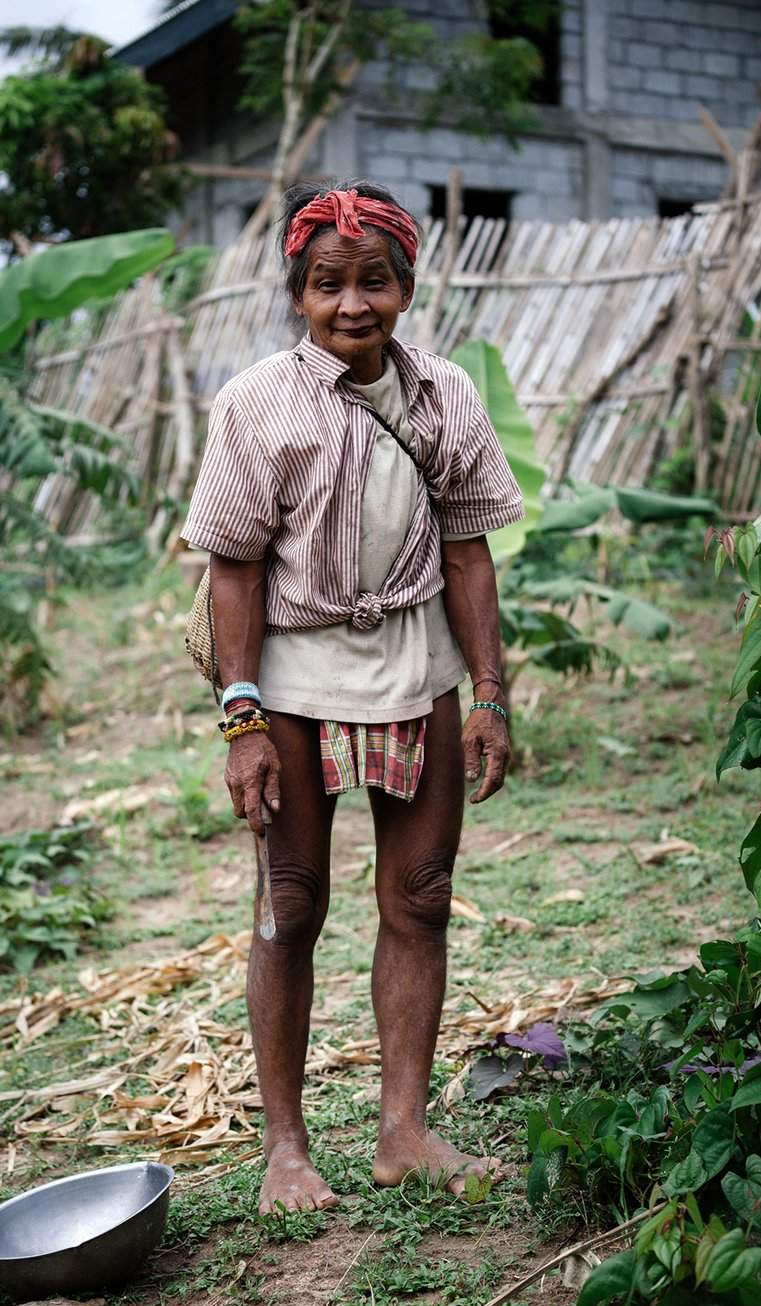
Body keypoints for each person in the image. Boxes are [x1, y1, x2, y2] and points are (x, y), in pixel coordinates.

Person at [181, 179, 524, 1213]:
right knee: (289, 908)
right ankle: (284, 1151)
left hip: (414, 666)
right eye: (327, 284)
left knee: (417, 900)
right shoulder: (256, 403)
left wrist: (490, 697)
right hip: (289, 677)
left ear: (405, 286)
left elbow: (467, 555)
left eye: (371, 281)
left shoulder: (443, 397)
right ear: (298, 295)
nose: (350, 305)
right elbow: (232, 569)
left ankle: (402, 1134)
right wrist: (241, 720)